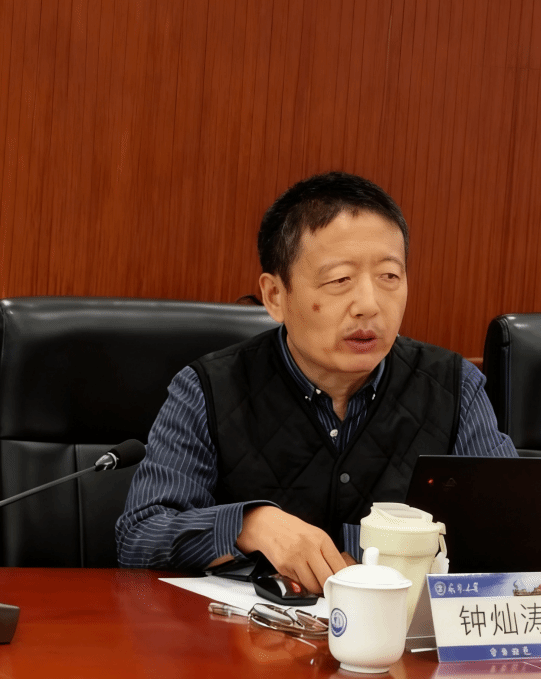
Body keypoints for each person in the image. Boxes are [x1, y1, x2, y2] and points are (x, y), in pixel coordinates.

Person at [116, 171, 516, 591]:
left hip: (403, 630)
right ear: (275, 296)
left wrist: (372, 551)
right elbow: (139, 537)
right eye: (340, 280)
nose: (369, 305)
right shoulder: (208, 389)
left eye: (389, 277)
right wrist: (251, 525)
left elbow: (514, 531)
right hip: (249, 631)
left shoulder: (454, 386)